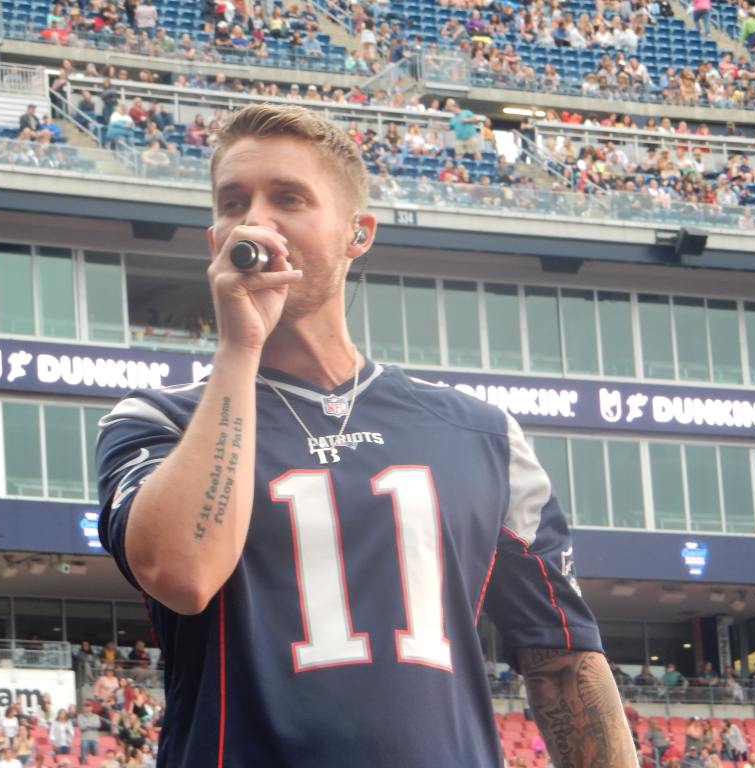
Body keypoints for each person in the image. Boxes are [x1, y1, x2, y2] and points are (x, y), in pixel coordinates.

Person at [95, 103, 635, 767]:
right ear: (214, 239)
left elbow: (562, 664)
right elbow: (182, 572)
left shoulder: (479, 434)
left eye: (288, 198)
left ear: (358, 233)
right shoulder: (157, 422)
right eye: (233, 202)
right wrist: (240, 346)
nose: (256, 222)